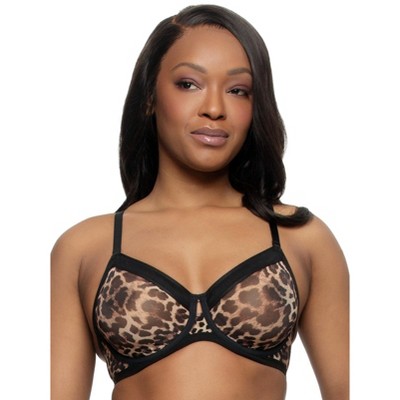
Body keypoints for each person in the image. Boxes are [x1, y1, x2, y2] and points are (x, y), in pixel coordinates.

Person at [51, 4, 349, 400]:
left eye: (238, 90)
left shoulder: (302, 237)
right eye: (189, 84)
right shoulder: (84, 248)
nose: (214, 108)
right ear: (149, 97)